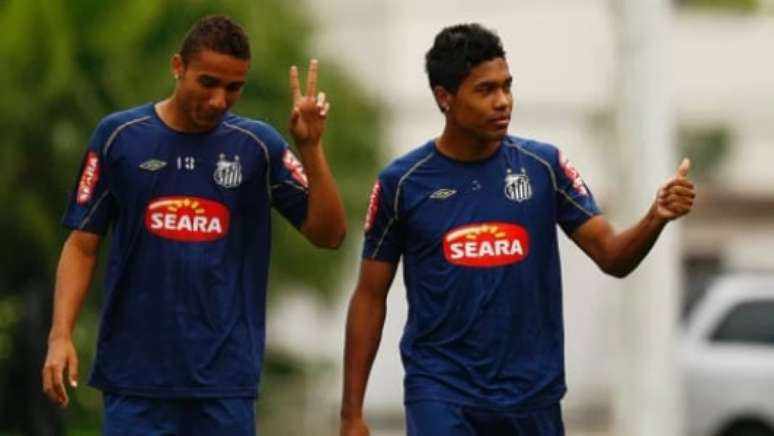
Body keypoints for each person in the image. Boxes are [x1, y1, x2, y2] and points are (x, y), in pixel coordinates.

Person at [340, 23, 694, 436]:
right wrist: (352, 414)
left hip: (531, 396)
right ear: (444, 98)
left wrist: (656, 216)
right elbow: (369, 296)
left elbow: (612, 257)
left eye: (507, 86)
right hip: (441, 391)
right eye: (485, 90)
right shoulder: (402, 183)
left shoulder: (544, 167)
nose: (503, 101)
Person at [41, 15, 346, 435]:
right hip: (135, 381)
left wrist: (310, 149)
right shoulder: (119, 137)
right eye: (208, 83)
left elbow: (329, 235)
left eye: (234, 87)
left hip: (224, 384)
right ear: (177, 66)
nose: (220, 100)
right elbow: (82, 246)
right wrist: (60, 335)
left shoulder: (258, 146)